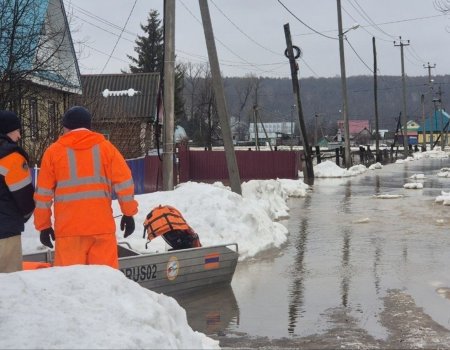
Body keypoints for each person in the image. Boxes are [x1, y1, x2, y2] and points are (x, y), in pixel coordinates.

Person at [34, 106, 138, 268]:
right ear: (89, 127)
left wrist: (44, 226)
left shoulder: (53, 152)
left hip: (69, 232)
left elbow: (43, 195)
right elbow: (124, 183)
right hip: (101, 228)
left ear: (66, 127)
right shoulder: (107, 149)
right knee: (104, 281)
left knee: (71, 285)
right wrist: (128, 213)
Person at [0, 111, 35, 273]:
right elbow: (25, 199)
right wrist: (24, 216)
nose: (20, 136)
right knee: (9, 285)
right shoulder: (11, 157)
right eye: (17, 130)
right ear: (8, 130)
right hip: (5, 232)